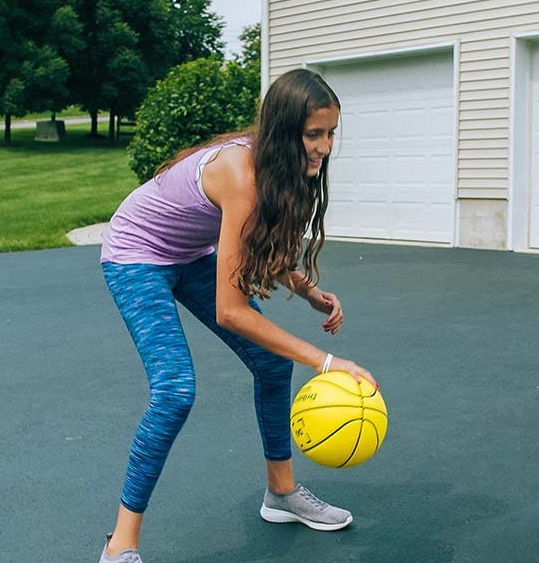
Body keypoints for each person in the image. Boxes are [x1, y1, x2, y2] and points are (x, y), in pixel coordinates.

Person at [97, 68, 376, 563]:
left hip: (187, 253)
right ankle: (120, 546)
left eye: (331, 133)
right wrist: (326, 362)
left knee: (271, 364)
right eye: (314, 134)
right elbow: (231, 312)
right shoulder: (240, 172)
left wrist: (306, 289)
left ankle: (281, 494)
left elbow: (262, 239)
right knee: (175, 389)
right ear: (284, 131)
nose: (325, 146)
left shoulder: (278, 168)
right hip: (136, 253)